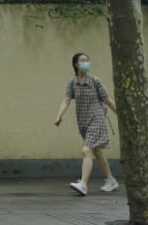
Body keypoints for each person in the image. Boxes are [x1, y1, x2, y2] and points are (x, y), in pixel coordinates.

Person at [54, 51, 120, 196]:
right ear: (76, 64)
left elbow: (107, 100)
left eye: (87, 60)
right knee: (97, 152)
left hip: (97, 118)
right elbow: (66, 100)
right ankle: (111, 180)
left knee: (86, 150)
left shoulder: (95, 81)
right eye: (82, 60)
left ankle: (83, 184)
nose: (86, 63)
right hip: (83, 121)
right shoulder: (72, 82)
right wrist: (59, 116)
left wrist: (120, 115)